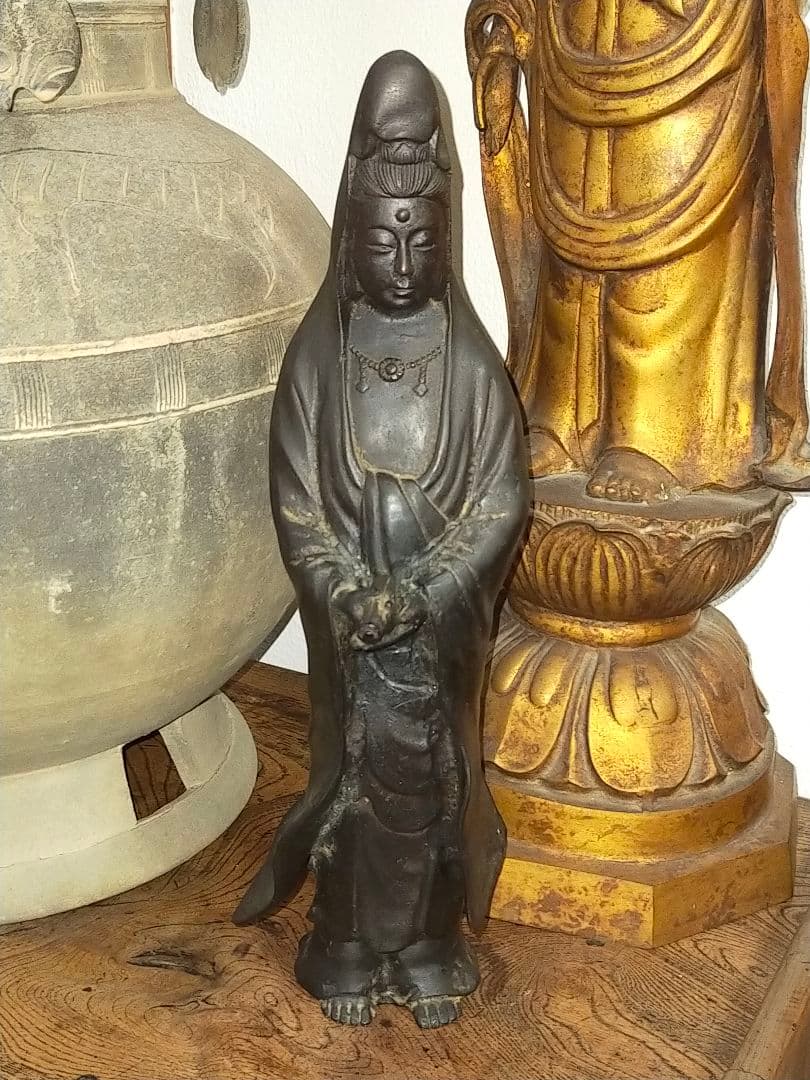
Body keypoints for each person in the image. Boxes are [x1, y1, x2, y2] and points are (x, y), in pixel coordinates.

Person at [233, 51, 529, 1029]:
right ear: (350, 238)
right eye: (382, 241)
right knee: (355, 789)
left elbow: (498, 503)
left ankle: (432, 944)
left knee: (437, 789)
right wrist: (346, 590)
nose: (402, 264)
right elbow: (297, 504)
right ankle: (347, 944)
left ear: (446, 240)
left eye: (421, 241)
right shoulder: (318, 361)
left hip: (437, 643)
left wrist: (428, 592)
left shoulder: (472, 368)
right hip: (353, 637)